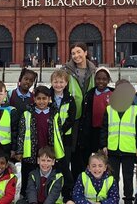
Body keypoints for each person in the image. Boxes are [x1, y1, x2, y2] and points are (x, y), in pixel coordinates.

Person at [101, 79, 137, 204]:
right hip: (113, 149)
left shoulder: (135, 110)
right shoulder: (109, 109)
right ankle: (113, 198)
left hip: (129, 150)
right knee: (112, 177)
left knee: (128, 177)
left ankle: (128, 199)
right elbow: (104, 128)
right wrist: (104, 145)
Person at [15, 86, 62, 197]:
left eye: (44, 98)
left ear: (49, 99)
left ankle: (46, 196)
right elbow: (21, 133)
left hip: (48, 151)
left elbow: (59, 133)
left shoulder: (54, 114)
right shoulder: (27, 114)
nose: (41, 101)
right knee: (28, 175)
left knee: (46, 176)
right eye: (39, 98)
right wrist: (20, 151)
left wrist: (57, 151)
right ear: (34, 99)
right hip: (31, 152)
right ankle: (26, 196)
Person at [63, 42, 97, 176]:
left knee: (86, 151)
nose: (76, 56)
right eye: (73, 53)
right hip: (73, 117)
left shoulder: (94, 71)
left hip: (89, 117)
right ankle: (72, 186)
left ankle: (84, 183)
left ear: (86, 52)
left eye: (79, 52)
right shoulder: (66, 72)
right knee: (73, 151)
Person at [50, 69, 77, 201]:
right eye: (56, 82)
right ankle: (52, 192)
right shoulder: (47, 97)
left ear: (66, 83)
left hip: (65, 138)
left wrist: (60, 129)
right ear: (51, 82)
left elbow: (71, 119)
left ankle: (67, 193)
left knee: (65, 165)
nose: (58, 85)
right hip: (51, 138)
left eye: (61, 82)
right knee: (52, 165)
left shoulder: (70, 99)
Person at [79, 67, 113, 167]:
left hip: (107, 131)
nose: (101, 81)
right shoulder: (90, 94)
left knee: (104, 157)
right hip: (92, 130)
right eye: (98, 79)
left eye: (104, 79)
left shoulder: (112, 94)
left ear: (108, 80)